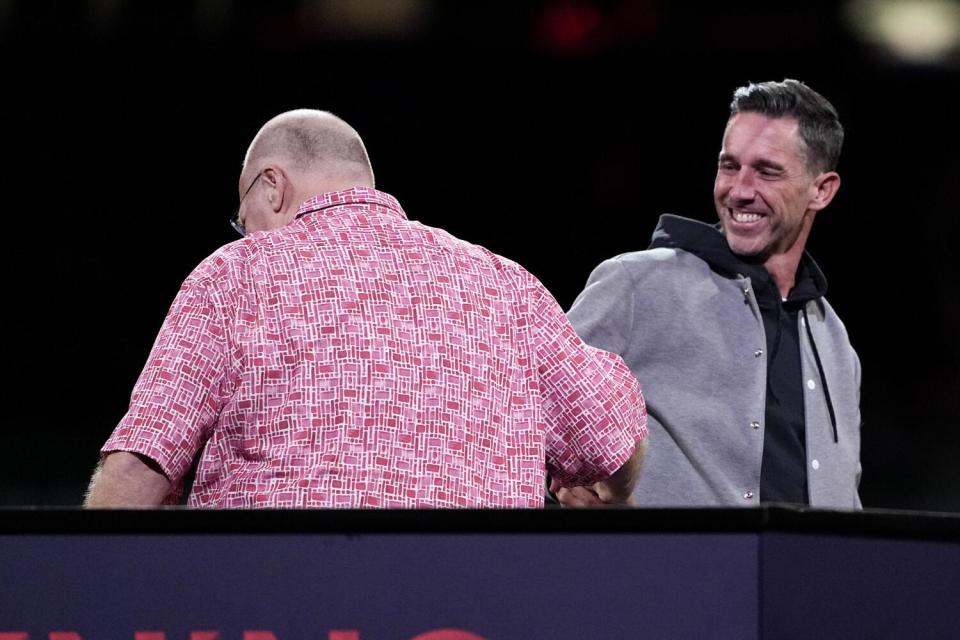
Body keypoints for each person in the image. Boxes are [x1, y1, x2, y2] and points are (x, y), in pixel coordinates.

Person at [84, 109, 647, 508]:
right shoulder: (505, 285)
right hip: (473, 614)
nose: (244, 231)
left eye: (243, 213)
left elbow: (138, 472)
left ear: (271, 187)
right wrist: (607, 494)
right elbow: (616, 435)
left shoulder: (236, 274)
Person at [564, 79, 861, 508]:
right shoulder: (638, 285)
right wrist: (569, 485)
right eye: (729, 166)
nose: (739, 190)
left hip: (810, 575)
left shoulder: (834, 339)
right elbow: (529, 413)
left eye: (767, 170)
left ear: (822, 190)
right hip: (667, 572)